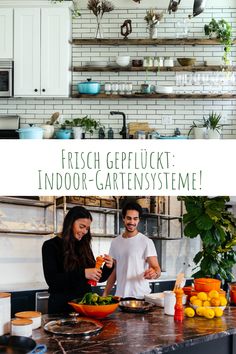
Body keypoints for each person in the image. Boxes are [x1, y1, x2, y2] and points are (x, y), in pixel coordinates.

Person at [42, 206, 114, 314]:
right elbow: (52, 281)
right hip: (61, 309)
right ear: (70, 223)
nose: (85, 231)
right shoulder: (50, 246)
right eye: (82, 226)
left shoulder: (84, 246)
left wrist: (108, 267)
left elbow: (97, 278)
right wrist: (83, 273)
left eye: (87, 228)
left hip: (85, 308)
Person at [103, 201, 161, 299]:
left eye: (135, 219)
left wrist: (154, 273)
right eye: (129, 218)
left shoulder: (146, 242)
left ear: (139, 220)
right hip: (120, 297)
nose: (132, 222)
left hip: (140, 297)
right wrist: (105, 293)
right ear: (123, 218)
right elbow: (113, 272)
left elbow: (157, 269)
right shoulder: (115, 242)